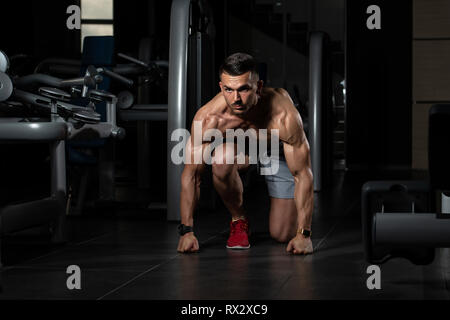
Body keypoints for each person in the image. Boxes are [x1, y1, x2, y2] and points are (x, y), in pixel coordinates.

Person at [177, 53, 314, 255]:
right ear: (221, 87)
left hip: (276, 151)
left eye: (243, 89)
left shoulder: (282, 114)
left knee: (283, 234)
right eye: (229, 90)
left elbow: (302, 174)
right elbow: (192, 175)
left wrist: (304, 234)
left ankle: (294, 224)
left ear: (258, 87)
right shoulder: (209, 118)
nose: (236, 98)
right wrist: (186, 231)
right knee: (221, 158)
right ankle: (239, 219)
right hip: (241, 149)